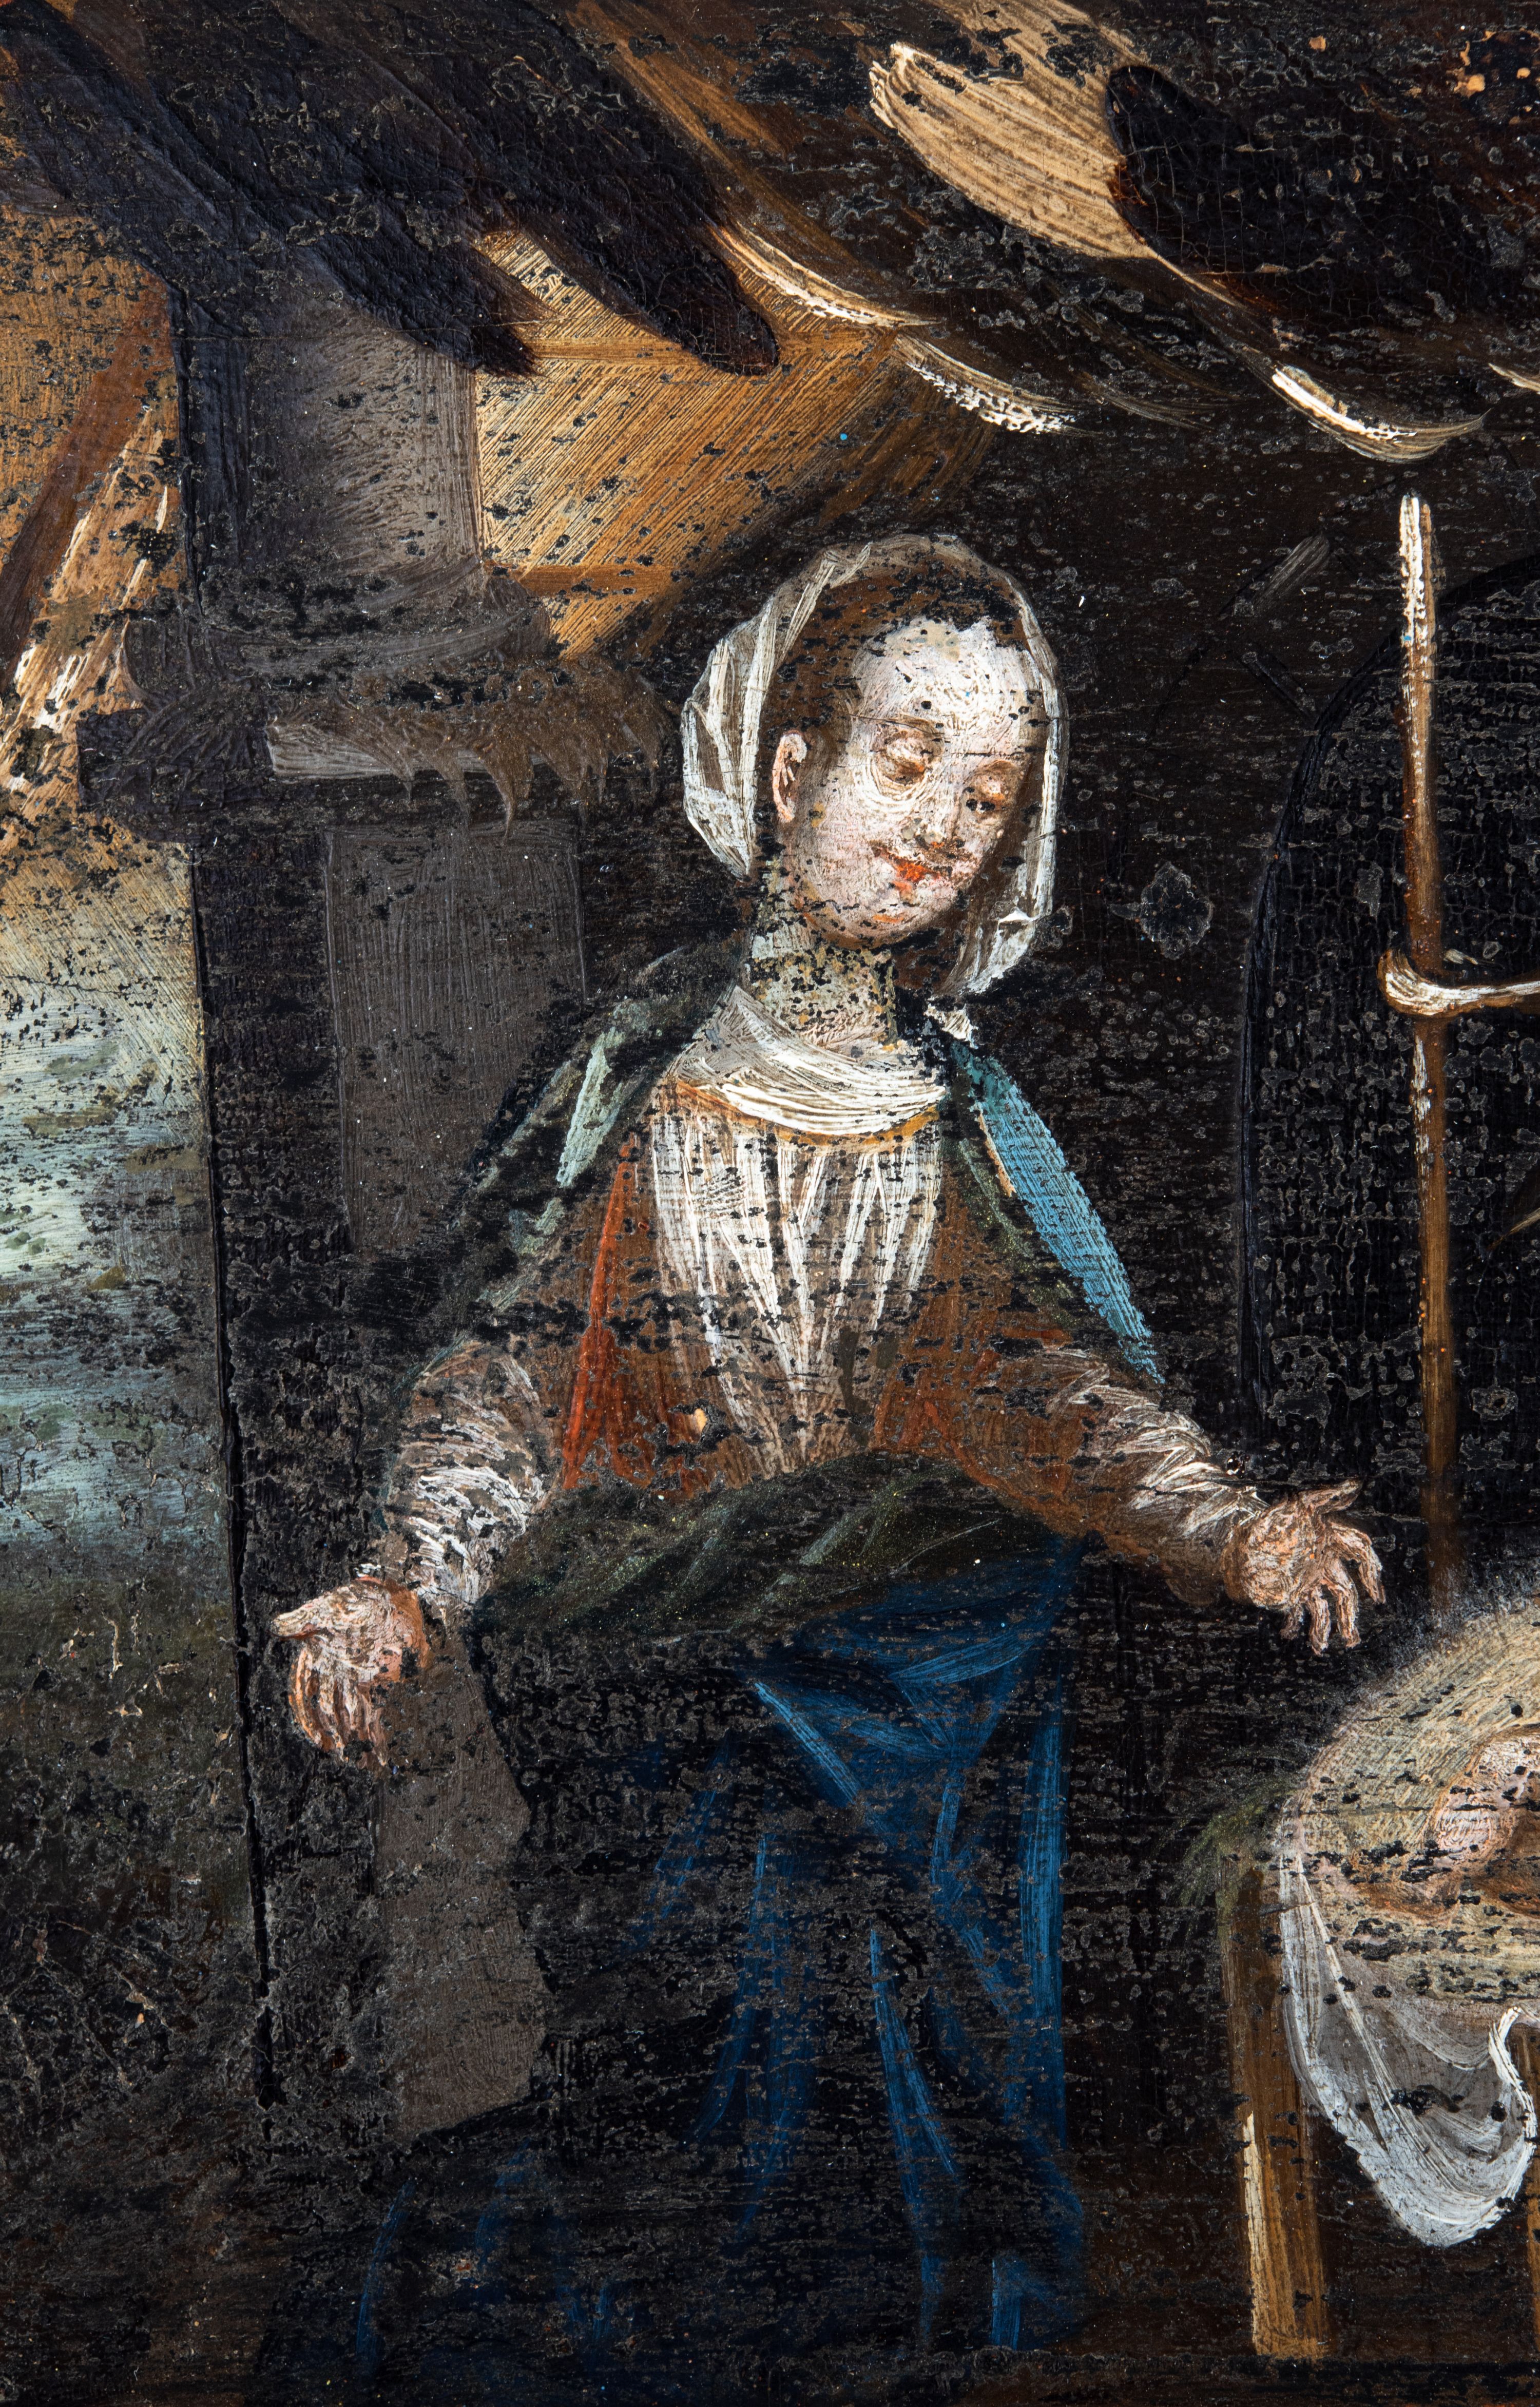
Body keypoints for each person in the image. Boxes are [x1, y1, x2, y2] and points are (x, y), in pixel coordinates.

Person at [272, 533, 1380, 2402]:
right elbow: (513, 1380)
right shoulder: (642, 1080)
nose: (944, 826)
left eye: (990, 794)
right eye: (908, 760)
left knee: (896, 2180)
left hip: (921, 1712)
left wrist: (1233, 1528)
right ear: (790, 768)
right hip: (679, 1702)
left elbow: (1050, 1398)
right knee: (694, 2167)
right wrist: (405, 1581)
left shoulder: (966, 1122)